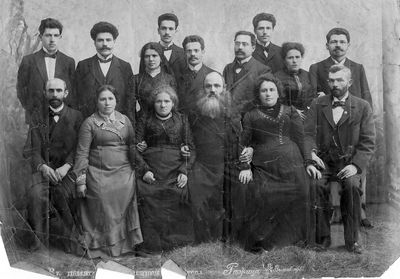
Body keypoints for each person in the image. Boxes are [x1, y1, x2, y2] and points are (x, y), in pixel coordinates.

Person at [304, 65, 375, 254]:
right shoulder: (317, 104)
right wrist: (311, 155)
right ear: (328, 82)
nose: (335, 84)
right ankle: (322, 238)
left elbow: (368, 141)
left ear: (350, 82)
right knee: (316, 185)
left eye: (340, 80)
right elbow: (308, 133)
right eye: (332, 80)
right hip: (323, 162)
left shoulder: (362, 106)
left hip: (349, 163)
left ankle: (352, 240)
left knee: (352, 186)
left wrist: (356, 165)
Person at [309, 28, 373, 227]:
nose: (338, 45)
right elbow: (311, 97)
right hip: (327, 129)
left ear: (348, 45)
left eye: (342, 41)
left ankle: (358, 214)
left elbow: (366, 97)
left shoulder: (358, 67)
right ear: (326, 44)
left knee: (356, 169)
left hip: (352, 129)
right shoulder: (317, 67)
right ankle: (327, 218)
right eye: (333, 41)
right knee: (319, 178)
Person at [238, 74, 309, 252]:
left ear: (278, 93)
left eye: (272, 90)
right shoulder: (250, 115)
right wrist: (246, 167)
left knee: (302, 192)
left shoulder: (290, 111)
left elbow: (301, 139)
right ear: (258, 94)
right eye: (264, 91)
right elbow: (243, 143)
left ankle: (289, 238)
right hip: (265, 164)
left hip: (292, 162)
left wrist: (308, 162)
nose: (268, 94)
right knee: (262, 194)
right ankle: (263, 240)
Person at [73, 85, 143, 258]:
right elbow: (82, 152)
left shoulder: (125, 120)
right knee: (103, 196)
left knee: (129, 189)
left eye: (110, 98)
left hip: (124, 169)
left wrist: (141, 147)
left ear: (116, 101)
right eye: (102, 99)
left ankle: (125, 245)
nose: (107, 103)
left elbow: (132, 144)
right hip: (99, 171)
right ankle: (103, 247)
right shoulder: (89, 123)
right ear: (97, 102)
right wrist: (81, 180)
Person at [187, 72, 250, 243]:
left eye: (217, 86)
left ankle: (231, 241)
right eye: (208, 86)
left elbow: (240, 143)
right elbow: (188, 140)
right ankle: (206, 243)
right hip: (203, 165)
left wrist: (245, 167)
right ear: (203, 89)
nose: (213, 90)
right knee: (197, 198)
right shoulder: (194, 114)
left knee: (239, 195)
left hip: (227, 165)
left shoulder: (232, 114)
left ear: (223, 89)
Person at [23, 78, 83, 252]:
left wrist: (67, 166)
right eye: (51, 91)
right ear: (45, 93)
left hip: (67, 172)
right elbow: (31, 149)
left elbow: (80, 147)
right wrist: (42, 166)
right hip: (44, 172)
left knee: (65, 195)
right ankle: (39, 242)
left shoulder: (76, 116)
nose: (54, 94)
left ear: (66, 93)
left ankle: (69, 241)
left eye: (58, 90)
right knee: (35, 195)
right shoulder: (37, 116)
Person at [135, 85, 195, 253]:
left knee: (178, 193)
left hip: (175, 168)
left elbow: (192, 148)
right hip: (151, 168)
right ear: (153, 104)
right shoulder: (145, 119)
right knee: (146, 193)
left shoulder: (182, 119)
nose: (162, 105)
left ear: (173, 103)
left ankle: (174, 246)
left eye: (166, 101)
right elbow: (134, 148)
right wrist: (144, 170)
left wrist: (184, 170)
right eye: (159, 101)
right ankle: (151, 246)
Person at [17, 18, 75, 124]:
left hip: (62, 119)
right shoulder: (28, 61)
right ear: (40, 37)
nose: (52, 39)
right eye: (48, 35)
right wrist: (31, 109)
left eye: (56, 35)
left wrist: (65, 112)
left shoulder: (69, 62)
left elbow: (71, 91)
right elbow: (21, 89)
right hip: (36, 118)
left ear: (60, 37)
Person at [74, 22, 134, 118]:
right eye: (100, 40)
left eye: (108, 40)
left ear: (114, 41)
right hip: (89, 122)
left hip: (118, 124)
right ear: (94, 42)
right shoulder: (83, 66)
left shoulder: (125, 67)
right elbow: (76, 98)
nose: (105, 44)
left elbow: (130, 102)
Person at [223, 31, 271, 115]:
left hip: (250, 119)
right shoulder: (228, 68)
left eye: (244, 44)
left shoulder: (263, 70)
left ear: (253, 48)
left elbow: (263, 100)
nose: (240, 47)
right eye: (237, 44)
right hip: (229, 118)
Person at [127, 42, 176, 121]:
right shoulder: (135, 80)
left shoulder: (170, 79)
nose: (151, 59)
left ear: (161, 58)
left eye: (154, 56)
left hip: (165, 123)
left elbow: (174, 107)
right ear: (143, 59)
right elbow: (130, 108)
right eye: (147, 56)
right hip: (142, 123)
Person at [275, 42, 316, 120]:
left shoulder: (308, 75)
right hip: (287, 117)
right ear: (284, 60)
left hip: (308, 117)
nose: (294, 61)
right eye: (290, 58)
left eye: (297, 57)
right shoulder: (277, 77)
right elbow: (276, 102)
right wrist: (291, 111)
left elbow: (313, 96)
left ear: (301, 58)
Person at [177, 35, 215, 113]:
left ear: (203, 52)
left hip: (206, 122)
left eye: (196, 50)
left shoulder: (213, 75)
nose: (193, 54)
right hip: (184, 122)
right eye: (189, 51)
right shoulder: (177, 77)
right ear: (184, 53)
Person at [157, 13, 186, 78]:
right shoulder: (149, 52)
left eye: (171, 29)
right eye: (163, 28)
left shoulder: (183, 53)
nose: (167, 32)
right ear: (158, 30)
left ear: (176, 31)